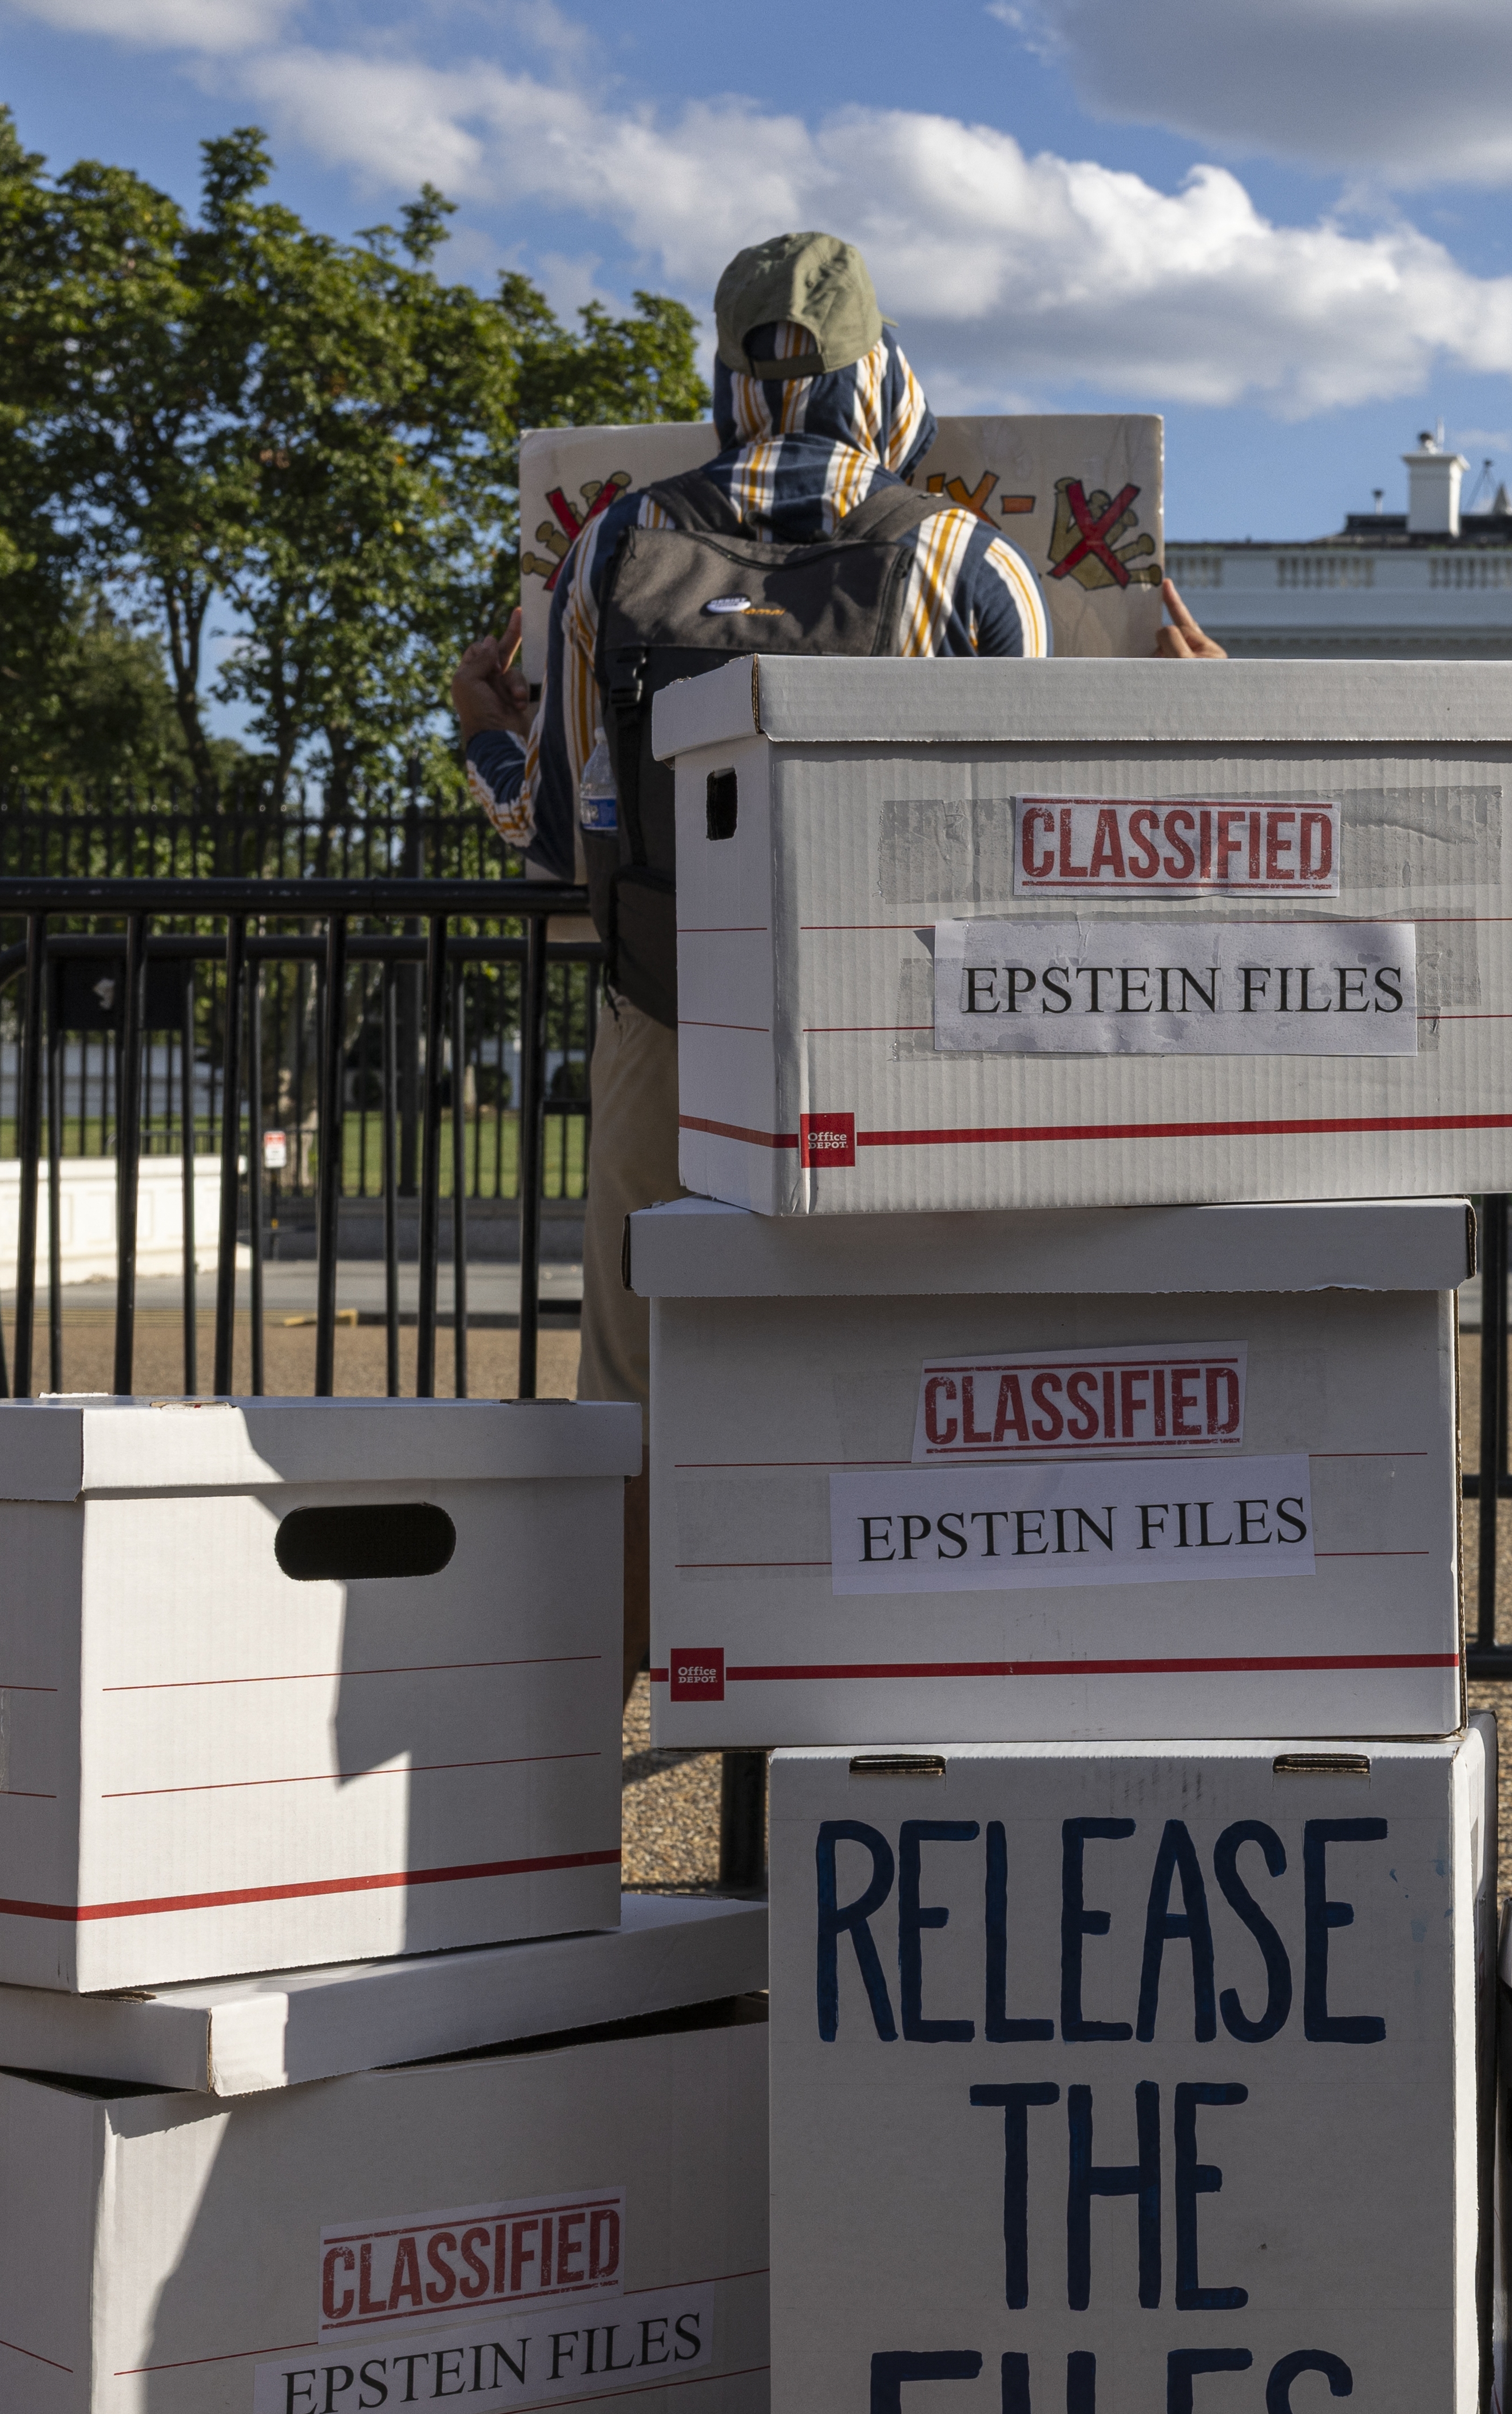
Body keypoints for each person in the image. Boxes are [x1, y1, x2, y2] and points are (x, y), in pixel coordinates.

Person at [450, 230, 1223, 1696]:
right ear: (880, 374)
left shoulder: (614, 547)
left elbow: (561, 832)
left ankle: (604, 1732)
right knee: (912, 1355)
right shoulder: (968, 562)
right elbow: (1051, 850)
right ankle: (891, 1691)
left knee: (637, 1376)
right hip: (907, 1036)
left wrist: (484, 725)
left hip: (670, 1019)